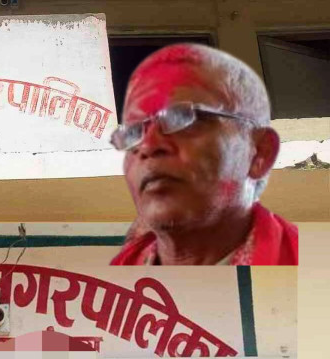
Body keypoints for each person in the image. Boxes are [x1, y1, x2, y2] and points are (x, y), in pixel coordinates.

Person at [109, 44, 298, 266]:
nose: (148, 146)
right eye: (133, 132)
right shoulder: (116, 276)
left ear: (259, 152)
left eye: (182, 118)